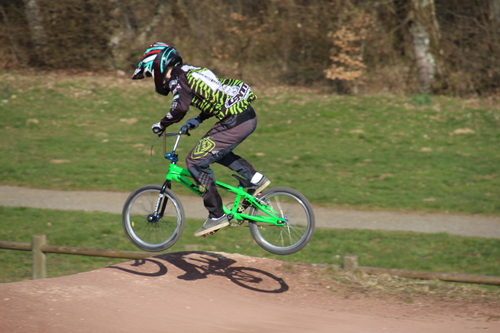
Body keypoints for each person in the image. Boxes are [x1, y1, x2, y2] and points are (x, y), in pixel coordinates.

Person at [132, 42, 270, 237]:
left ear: (158, 66)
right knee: (213, 151)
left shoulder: (178, 80)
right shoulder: (190, 71)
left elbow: (179, 109)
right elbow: (215, 95)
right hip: (246, 116)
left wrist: (162, 125)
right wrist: (197, 120)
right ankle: (254, 179)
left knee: (194, 161)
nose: (153, 78)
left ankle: (216, 215)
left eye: (151, 73)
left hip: (234, 121)